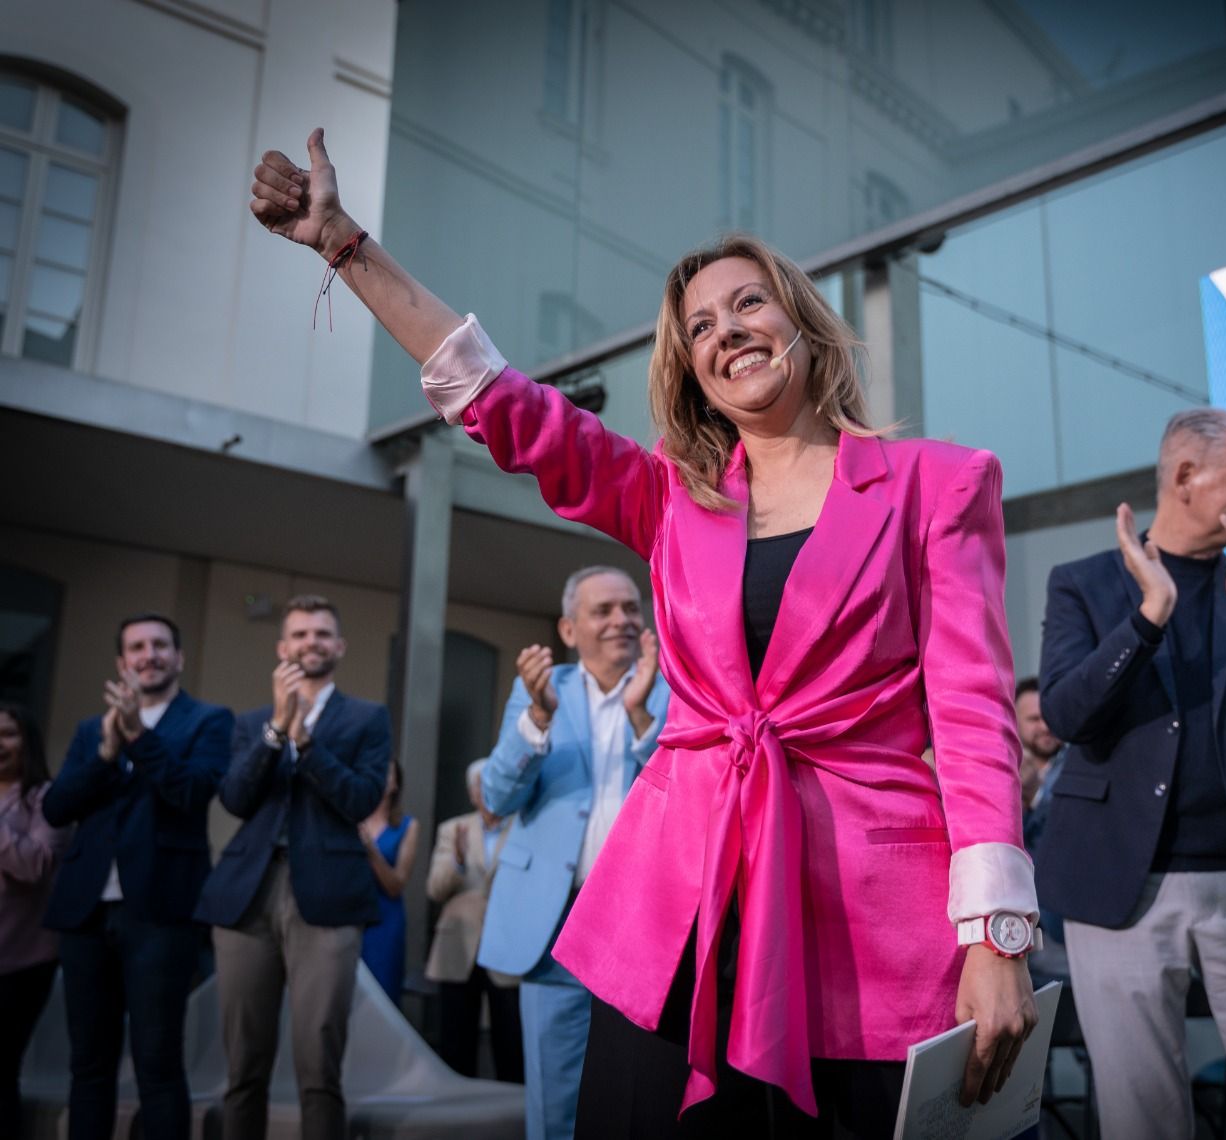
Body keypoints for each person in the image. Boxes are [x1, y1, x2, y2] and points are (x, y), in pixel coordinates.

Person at [249, 129, 1038, 1138]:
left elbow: (972, 717)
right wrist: (344, 245)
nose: (727, 330)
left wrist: (996, 936)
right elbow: (504, 403)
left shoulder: (941, 481)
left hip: (868, 922)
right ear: (692, 368)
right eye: (701, 325)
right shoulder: (671, 497)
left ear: (801, 321)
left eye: (748, 302)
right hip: (679, 906)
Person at [1035, 408, 1226, 1139]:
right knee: (1141, 1118)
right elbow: (1068, 714)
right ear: (1184, 477)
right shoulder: (1084, 584)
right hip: (1119, 885)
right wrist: (1149, 618)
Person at [475, 567, 669, 1140]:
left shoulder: (672, 691)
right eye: (603, 610)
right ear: (568, 628)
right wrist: (537, 716)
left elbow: (688, 796)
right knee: (555, 1102)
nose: (622, 620)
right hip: (555, 921)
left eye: (631, 608)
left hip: (643, 923)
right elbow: (496, 795)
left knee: (639, 1094)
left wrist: (641, 719)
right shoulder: (541, 690)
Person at [192, 595, 390, 1140]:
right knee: (242, 1067)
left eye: (322, 634)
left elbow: (360, 799)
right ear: (283, 648)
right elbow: (234, 798)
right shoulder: (251, 721)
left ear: (340, 647)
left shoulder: (367, 718)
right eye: (300, 635)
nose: (311, 643)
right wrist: (278, 730)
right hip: (246, 896)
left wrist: (306, 741)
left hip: (326, 897)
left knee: (318, 1064)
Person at [41, 614, 232, 1140]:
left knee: (158, 1063)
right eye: (137, 647)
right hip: (85, 914)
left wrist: (138, 737)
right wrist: (106, 753)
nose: (149, 654)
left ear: (180, 657)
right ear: (121, 663)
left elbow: (193, 793)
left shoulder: (209, 720)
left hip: (161, 913)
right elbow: (56, 809)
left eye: (160, 645)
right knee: (89, 1065)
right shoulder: (89, 730)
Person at [425, 759, 522, 1082]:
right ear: (471, 793)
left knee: (510, 1040)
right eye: (481, 785)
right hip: (459, 944)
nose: (487, 791)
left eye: (493, 782)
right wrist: (457, 860)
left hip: (507, 944)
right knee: (456, 1038)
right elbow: (435, 889)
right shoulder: (454, 830)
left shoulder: (522, 827)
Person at [0, 701, 72, 1138]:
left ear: (27, 741)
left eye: (7, 734)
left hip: (17, 961)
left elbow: (37, 864)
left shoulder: (46, 799)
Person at [360, 761, 417, 1004]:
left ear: (396, 782)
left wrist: (371, 852)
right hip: (347, 917)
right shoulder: (352, 818)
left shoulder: (407, 826)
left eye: (387, 771)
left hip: (385, 922)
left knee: (382, 999)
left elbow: (397, 885)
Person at [1013, 678, 1061, 856]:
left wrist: (1036, 795)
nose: (1045, 727)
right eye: (1034, 719)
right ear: (1013, 720)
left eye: (1051, 718)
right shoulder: (999, 766)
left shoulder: (1079, 766)